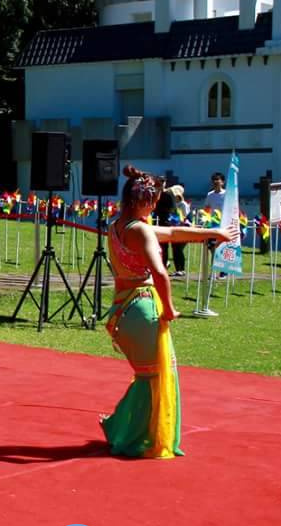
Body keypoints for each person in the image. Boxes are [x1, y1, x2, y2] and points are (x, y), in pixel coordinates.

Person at [100, 165, 236, 459]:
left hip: (123, 309)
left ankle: (122, 428)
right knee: (156, 376)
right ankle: (132, 436)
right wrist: (171, 308)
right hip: (143, 308)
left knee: (147, 376)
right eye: (155, 201)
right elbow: (160, 273)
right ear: (145, 201)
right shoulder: (141, 230)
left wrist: (214, 232)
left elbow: (174, 232)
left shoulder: (117, 225)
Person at [154, 184, 189, 277]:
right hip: (169, 225)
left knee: (177, 249)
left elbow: (185, 217)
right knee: (166, 248)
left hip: (179, 226)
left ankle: (181, 269)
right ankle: (165, 266)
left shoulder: (183, 204)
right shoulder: (170, 203)